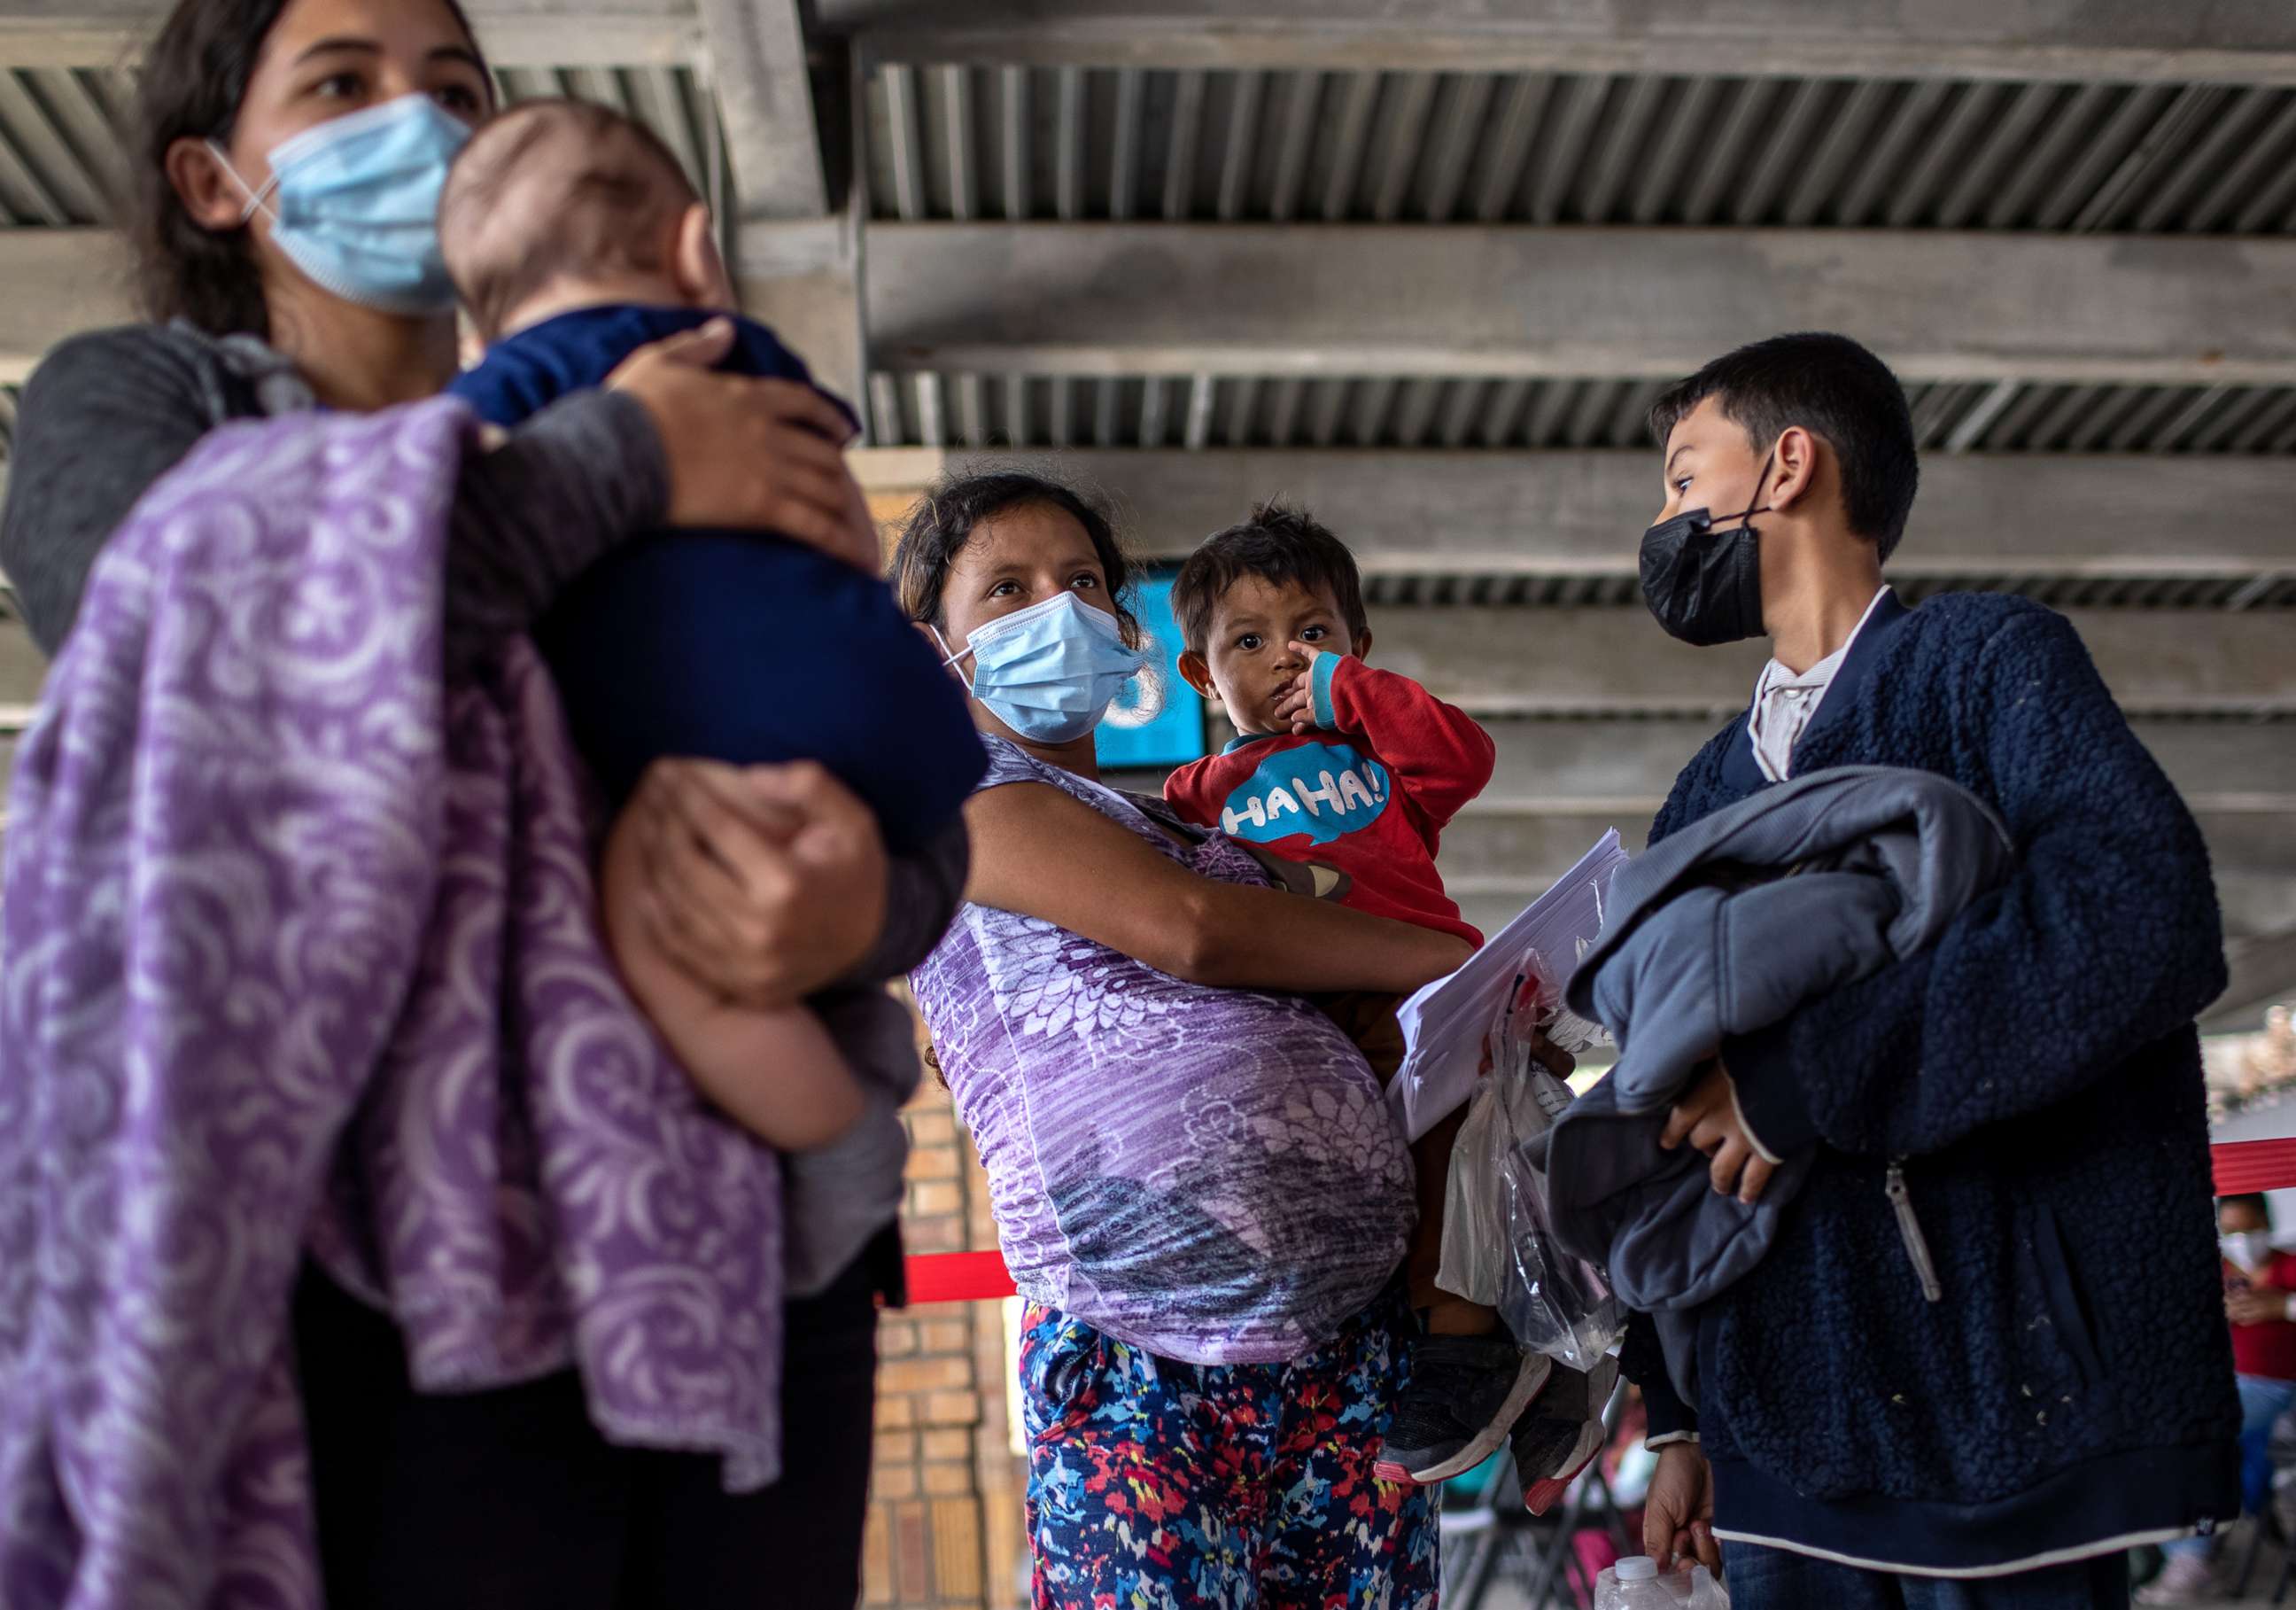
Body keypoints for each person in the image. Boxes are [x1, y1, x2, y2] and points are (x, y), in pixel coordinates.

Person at [0, 0, 921, 1603]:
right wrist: (626, 462)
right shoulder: (141, 402)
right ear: (216, 180)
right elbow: (191, 657)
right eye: (343, 85)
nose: (414, 125)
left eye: (455, 88)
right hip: (367, 1254)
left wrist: (873, 904)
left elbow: (857, 724)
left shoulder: (694, 405)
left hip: (738, 1243)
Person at [1620, 331, 2237, 1606]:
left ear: (1786, 465)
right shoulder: (1703, 792)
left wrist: (1811, 1081)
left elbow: (2141, 912)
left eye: (1684, 480)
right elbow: (1670, 1099)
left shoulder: (1991, 666)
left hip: (2008, 1416)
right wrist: (1678, 1412)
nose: (1664, 523)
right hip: (1787, 1438)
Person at [889, 470, 1570, 1608]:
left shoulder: (1186, 818)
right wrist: (1472, 965)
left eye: (1083, 582)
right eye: (1006, 590)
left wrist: (1472, 1022)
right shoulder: (959, 801)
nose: (1054, 606)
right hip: (1140, 1354)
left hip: (1347, 1361)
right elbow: (1196, 933)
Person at [436, 95, 985, 1301]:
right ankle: (845, 1140)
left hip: (659, 729)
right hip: (882, 716)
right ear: (696, 252)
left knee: (665, 935)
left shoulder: (488, 412)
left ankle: (833, 1143)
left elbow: (434, 558)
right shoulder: (745, 364)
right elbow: (842, 534)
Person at [1161, 502, 1614, 1504]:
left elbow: (1466, 757)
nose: (1287, 660)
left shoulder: (1384, 763)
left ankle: (1478, 1359)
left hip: (1428, 996)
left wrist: (1348, 692)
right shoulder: (1199, 789)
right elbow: (1148, 874)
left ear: (1357, 647)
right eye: (1251, 641)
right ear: (1200, 673)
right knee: (1392, 1194)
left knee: (1475, 1168)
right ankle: (1541, 1363)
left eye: (1313, 634)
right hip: (1315, 1020)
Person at [2143, 1194, 2296, 1603]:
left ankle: (2191, 1557)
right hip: (2218, 1384)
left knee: (2196, 1439)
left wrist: (2285, 1305)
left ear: (2267, 1222)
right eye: (2233, 1231)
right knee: (2170, 1440)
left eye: (2251, 1227)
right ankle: (2190, 1548)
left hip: (2274, 1385)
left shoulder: (2288, 1267)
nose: (2244, 1239)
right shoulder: (2216, 1273)